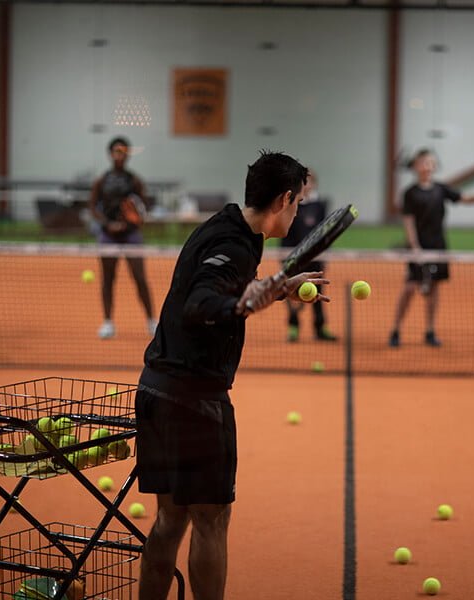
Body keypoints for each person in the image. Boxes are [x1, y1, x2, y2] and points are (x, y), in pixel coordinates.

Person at [134, 151, 327, 600]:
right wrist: (243, 303)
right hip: (194, 402)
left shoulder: (228, 225)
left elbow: (220, 288)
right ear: (283, 199)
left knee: (171, 520)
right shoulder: (235, 245)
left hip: (156, 390)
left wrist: (275, 291)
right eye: (297, 203)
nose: (298, 212)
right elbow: (202, 302)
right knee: (211, 521)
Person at [388, 148, 474, 348]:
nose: (427, 166)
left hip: (438, 248)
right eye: (422, 162)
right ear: (415, 166)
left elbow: (466, 199)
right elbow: (408, 221)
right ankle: (395, 330)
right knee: (410, 288)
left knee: (434, 289)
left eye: (430, 162)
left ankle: (430, 331)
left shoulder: (441, 189)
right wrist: (414, 248)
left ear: (434, 166)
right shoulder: (410, 193)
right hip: (418, 249)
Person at [89, 136, 156, 339]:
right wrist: (108, 224)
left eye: (123, 151)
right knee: (108, 279)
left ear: (127, 155)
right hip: (108, 235)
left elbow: (143, 208)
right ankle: (108, 323)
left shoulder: (134, 181)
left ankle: (152, 321)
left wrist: (130, 222)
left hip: (131, 235)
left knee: (140, 278)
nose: (120, 155)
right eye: (117, 151)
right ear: (110, 154)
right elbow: (93, 207)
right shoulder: (101, 181)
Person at [281, 169, 336, 342]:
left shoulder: (320, 205)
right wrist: (285, 257)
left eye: (310, 182)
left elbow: (325, 230)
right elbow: (286, 233)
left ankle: (320, 328)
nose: (307, 185)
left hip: (315, 257)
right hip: (294, 257)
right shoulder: (291, 204)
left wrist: (324, 254)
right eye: (303, 182)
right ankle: (293, 327)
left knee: (318, 292)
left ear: (315, 184)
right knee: (290, 293)